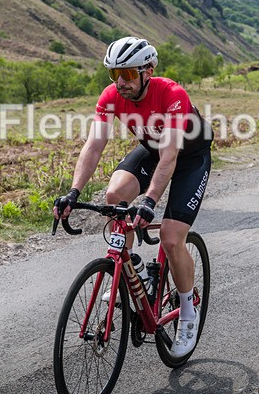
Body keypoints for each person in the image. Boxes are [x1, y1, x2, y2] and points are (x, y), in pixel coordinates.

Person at [53, 36, 213, 358]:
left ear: (148, 70)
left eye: (127, 75)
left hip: (188, 159)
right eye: (115, 75)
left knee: (170, 238)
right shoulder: (111, 96)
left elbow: (170, 158)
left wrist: (151, 200)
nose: (120, 83)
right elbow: (94, 146)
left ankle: (187, 311)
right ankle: (129, 269)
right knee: (115, 195)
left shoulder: (172, 95)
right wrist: (73, 193)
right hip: (153, 150)